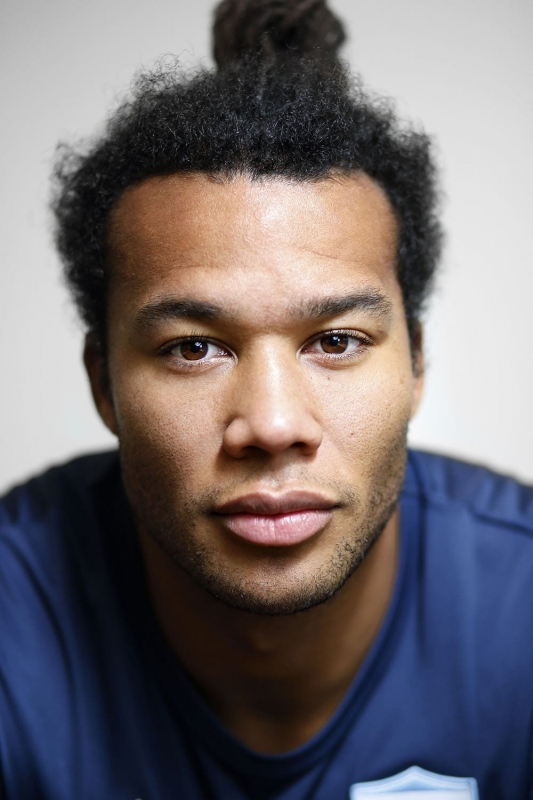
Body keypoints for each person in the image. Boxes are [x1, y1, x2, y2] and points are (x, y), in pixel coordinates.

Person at [0, 0, 532, 797]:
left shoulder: (520, 601)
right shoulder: (16, 614)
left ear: (417, 361)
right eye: (193, 348)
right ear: (103, 382)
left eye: (336, 341)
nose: (273, 425)